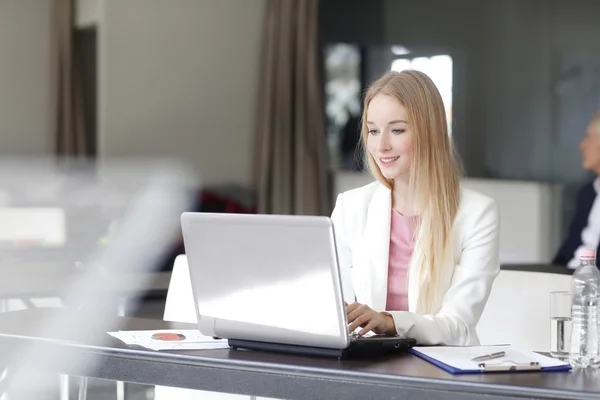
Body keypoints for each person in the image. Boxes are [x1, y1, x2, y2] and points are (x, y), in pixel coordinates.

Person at [330, 70, 500, 346]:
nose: (381, 145)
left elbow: (457, 324)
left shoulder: (478, 214)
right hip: (365, 366)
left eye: (397, 130)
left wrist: (391, 321)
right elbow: (338, 313)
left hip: (439, 371)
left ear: (428, 132)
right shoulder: (350, 207)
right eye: (373, 131)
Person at [553, 111, 600, 268]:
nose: (581, 145)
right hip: (569, 278)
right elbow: (566, 252)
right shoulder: (588, 193)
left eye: (588, 137)